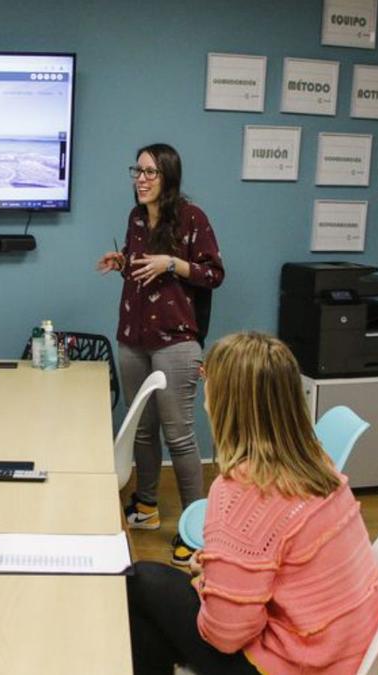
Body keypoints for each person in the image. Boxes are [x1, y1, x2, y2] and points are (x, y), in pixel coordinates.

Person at [126, 332, 378, 675]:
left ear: (226, 403)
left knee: (141, 581)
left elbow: (225, 635)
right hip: (345, 652)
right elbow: (276, 562)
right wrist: (218, 576)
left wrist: (208, 586)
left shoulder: (240, 491)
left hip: (297, 663)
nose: (205, 401)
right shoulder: (316, 462)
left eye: (209, 387)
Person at [96, 143, 224, 565]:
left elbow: (213, 274)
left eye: (151, 172)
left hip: (176, 341)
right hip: (133, 336)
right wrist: (123, 262)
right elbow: (142, 266)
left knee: (179, 435)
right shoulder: (135, 218)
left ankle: (196, 529)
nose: (142, 179)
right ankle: (146, 506)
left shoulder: (191, 218)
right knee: (142, 429)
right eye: (138, 171)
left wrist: (172, 262)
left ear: (168, 177)